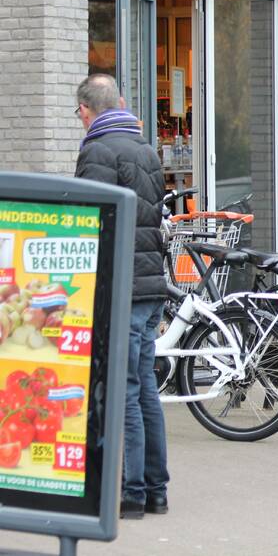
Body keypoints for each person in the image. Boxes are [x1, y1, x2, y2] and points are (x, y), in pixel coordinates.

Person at [73, 74, 169, 519]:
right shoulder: (145, 149)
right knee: (145, 385)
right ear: (122, 103)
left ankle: (132, 492)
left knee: (126, 388)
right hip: (150, 285)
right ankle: (156, 489)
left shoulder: (98, 151)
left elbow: (89, 220)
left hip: (123, 286)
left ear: (84, 111)